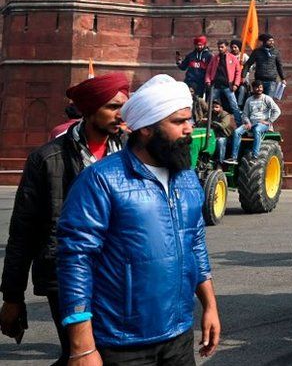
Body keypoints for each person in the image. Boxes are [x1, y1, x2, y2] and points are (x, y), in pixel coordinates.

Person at [57, 74, 220, 365]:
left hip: (179, 335)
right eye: (178, 122)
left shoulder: (187, 179)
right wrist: (82, 347)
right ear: (146, 129)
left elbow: (195, 244)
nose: (189, 129)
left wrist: (209, 305)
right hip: (121, 343)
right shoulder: (101, 180)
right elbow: (76, 259)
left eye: (190, 120)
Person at [1, 73, 129, 365]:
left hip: (118, 274)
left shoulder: (129, 154)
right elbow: (23, 232)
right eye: (112, 107)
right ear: (89, 110)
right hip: (65, 274)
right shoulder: (47, 159)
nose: (120, 115)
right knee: (83, 353)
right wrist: (12, 296)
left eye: (123, 106)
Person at [227, 81, 281, 163]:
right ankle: (234, 157)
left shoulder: (267, 98)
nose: (259, 89)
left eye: (260, 87)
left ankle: (255, 156)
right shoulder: (249, 100)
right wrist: (248, 122)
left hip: (262, 124)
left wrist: (269, 121)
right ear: (253, 88)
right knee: (237, 131)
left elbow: (277, 111)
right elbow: (245, 114)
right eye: (257, 87)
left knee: (257, 130)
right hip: (251, 123)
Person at [204, 39, 243, 125]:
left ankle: (240, 125)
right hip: (216, 86)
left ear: (226, 47)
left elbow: (238, 72)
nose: (220, 49)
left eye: (222, 47)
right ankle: (205, 123)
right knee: (208, 105)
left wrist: (236, 84)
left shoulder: (232, 58)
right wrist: (208, 81)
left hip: (228, 86)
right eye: (219, 47)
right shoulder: (215, 58)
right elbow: (208, 71)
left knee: (234, 106)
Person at [242, 34, 286, 99]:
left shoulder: (275, 52)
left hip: (271, 80)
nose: (272, 42)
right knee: (259, 99)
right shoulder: (257, 52)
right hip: (259, 80)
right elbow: (248, 64)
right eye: (269, 41)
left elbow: (279, 66)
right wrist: (243, 76)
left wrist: (283, 78)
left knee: (268, 100)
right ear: (264, 42)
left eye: (272, 40)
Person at [229, 39, 250, 107]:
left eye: (235, 47)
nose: (234, 49)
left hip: (242, 81)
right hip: (231, 80)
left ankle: (239, 105)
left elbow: (250, 67)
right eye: (232, 47)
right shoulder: (229, 56)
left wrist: (243, 65)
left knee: (242, 89)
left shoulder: (244, 56)